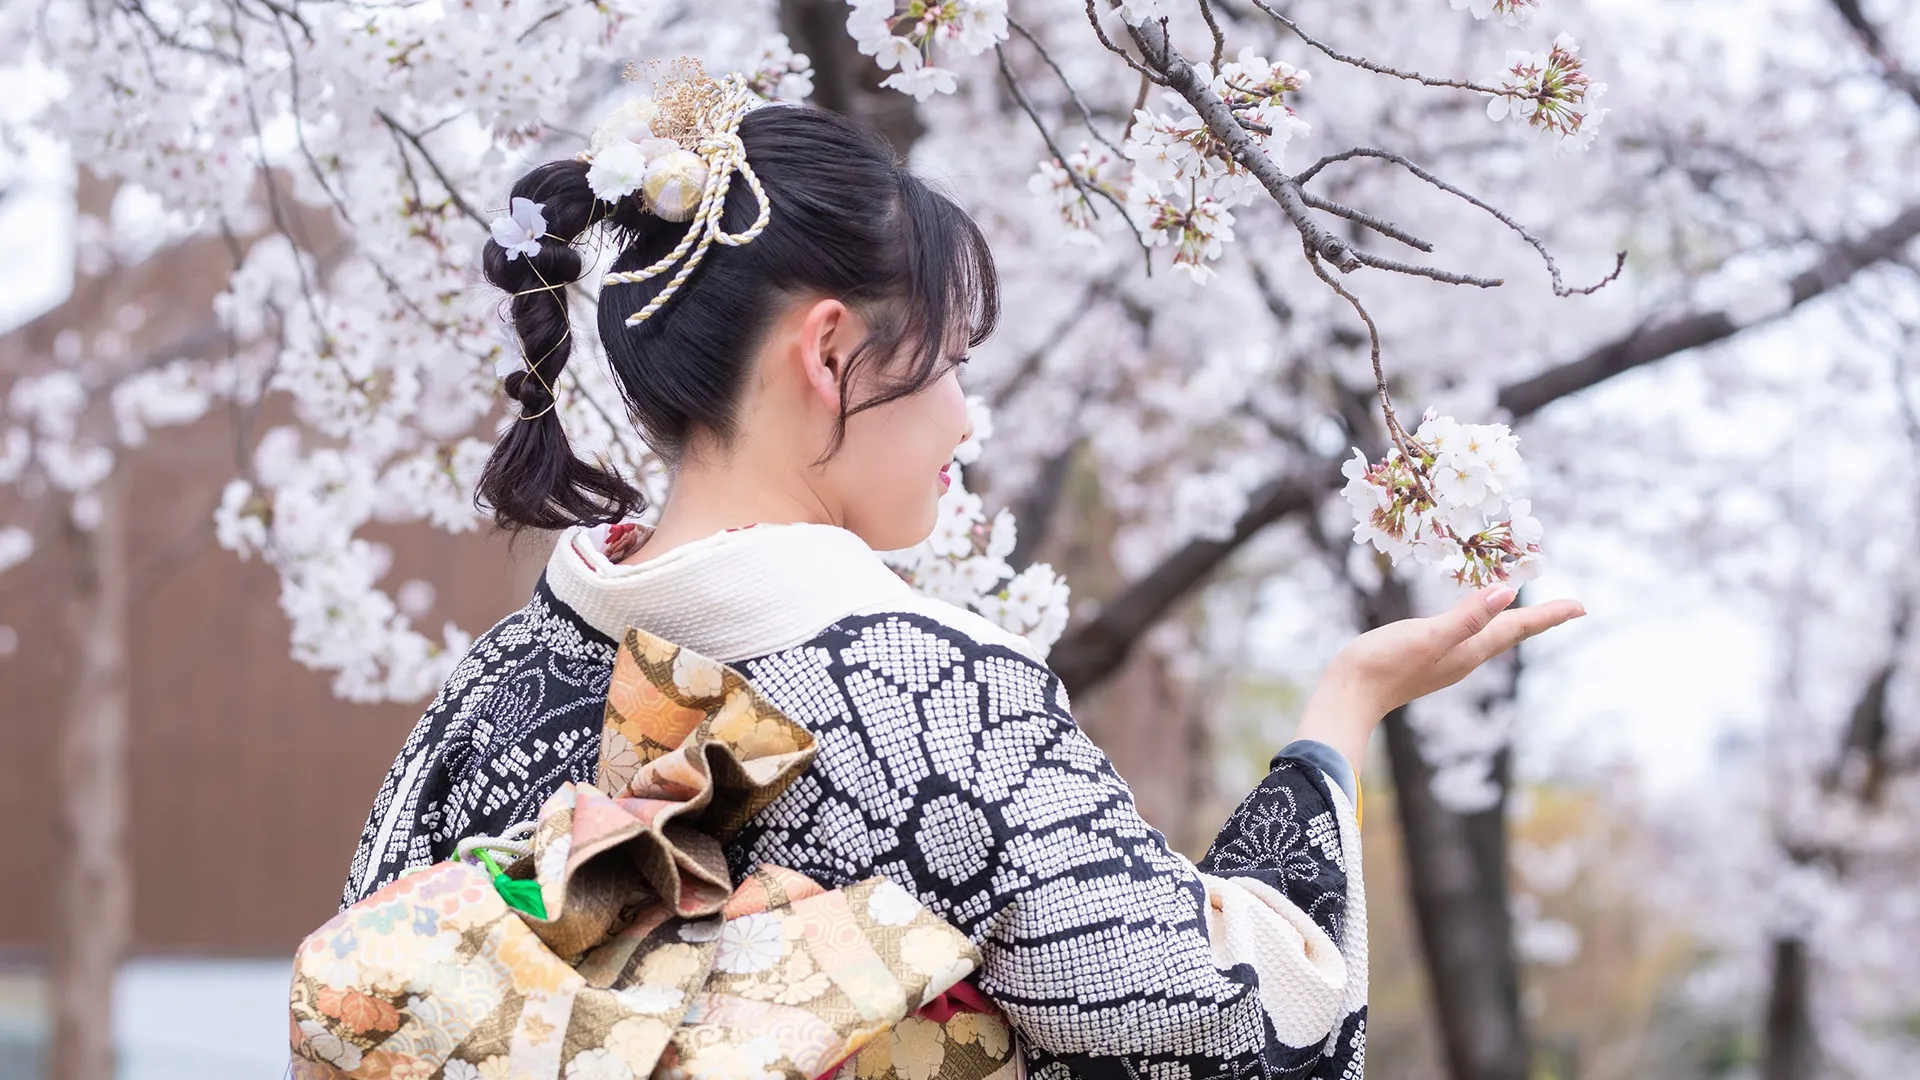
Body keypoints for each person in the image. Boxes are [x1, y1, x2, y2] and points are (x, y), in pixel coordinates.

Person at [338, 66, 1585, 1079]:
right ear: (828, 352)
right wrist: (1338, 720)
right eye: (948, 365)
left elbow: (363, 1011)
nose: (964, 422)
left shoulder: (485, 691)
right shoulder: (939, 694)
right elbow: (1240, 1037)